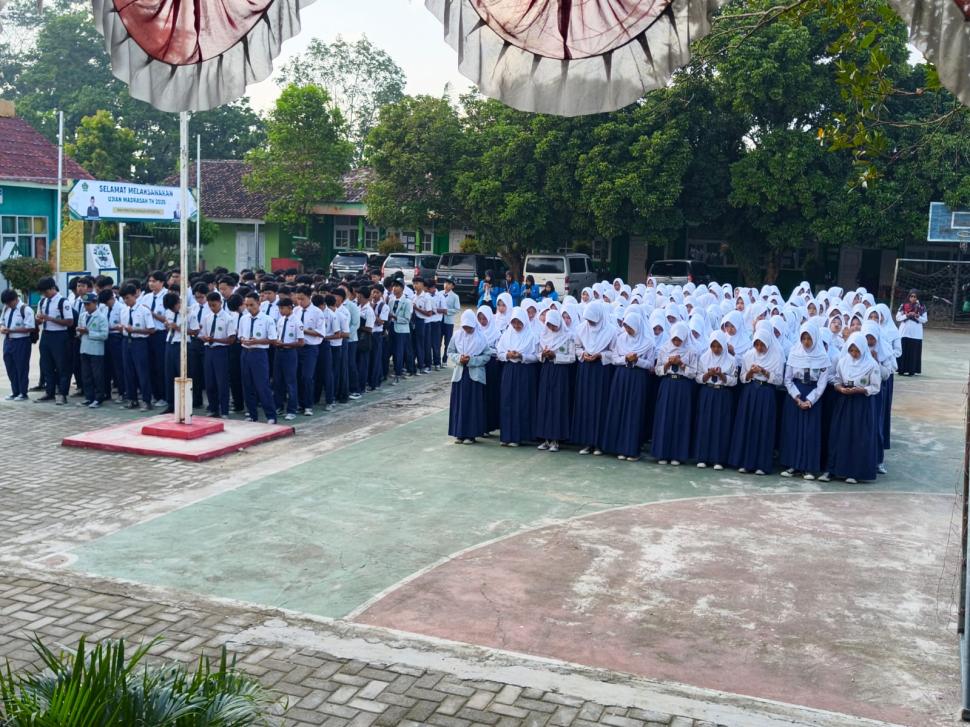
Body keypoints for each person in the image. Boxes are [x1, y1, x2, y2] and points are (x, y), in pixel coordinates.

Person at [820, 332, 881, 484]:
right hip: (844, 402)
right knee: (839, 434)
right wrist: (840, 388)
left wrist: (860, 390)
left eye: (857, 351)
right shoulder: (843, 362)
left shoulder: (871, 364)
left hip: (861, 404)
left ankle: (853, 472)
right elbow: (837, 379)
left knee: (857, 436)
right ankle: (833, 469)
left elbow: (875, 387)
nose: (854, 354)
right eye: (851, 350)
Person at [600, 308, 655, 461]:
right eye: (626, 327)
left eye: (630, 327)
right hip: (622, 377)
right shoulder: (621, 339)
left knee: (634, 412)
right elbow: (614, 358)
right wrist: (626, 359)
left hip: (638, 378)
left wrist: (637, 360)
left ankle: (631, 449)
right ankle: (618, 447)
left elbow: (650, 364)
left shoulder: (648, 342)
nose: (628, 330)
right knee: (619, 409)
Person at [729, 330, 784, 475]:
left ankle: (761, 464)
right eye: (757, 344)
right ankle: (746, 462)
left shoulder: (776, 357)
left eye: (762, 345)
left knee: (763, 427)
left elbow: (779, 380)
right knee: (748, 425)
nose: (759, 348)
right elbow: (742, 378)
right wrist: (751, 373)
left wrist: (764, 372)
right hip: (750, 392)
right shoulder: (748, 355)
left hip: (767, 393)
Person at [780, 322, 830, 480]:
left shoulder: (823, 357)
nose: (806, 342)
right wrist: (796, 396)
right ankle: (792, 464)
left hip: (812, 397)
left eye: (809, 338)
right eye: (804, 338)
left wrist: (809, 400)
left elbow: (822, 384)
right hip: (795, 396)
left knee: (810, 433)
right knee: (793, 431)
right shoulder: (794, 353)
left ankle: (808, 467)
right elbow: (787, 379)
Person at [571, 302, 615, 455]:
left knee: (600, 405)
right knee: (586, 404)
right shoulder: (581, 329)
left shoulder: (610, 331)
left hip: (601, 371)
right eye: (588, 320)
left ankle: (599, 443)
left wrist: (600, 355)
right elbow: (577, 347)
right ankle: (587, 442)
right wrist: (584, 354)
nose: (590, 323)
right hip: (586, 369)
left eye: (592, 320)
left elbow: (614, 353)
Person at [651, 322, 695, 465]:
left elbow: (694, 373)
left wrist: (681, 364)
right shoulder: (664, 349)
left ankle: (677, 454)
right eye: (674, 339)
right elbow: (657, 371)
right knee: (665, 416)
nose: (676, 342)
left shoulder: (690, 351)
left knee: (680, 418)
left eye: (679, 339)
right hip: (668, 384)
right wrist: (668, 364)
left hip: (683, 386)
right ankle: (662, 453)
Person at [692, 331, 737, 470]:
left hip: (723, 394)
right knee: (705, 423)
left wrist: (722, 375)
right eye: (713, 346)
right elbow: (698, 378)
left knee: (720, 425)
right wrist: (708, 374)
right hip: (707, 392)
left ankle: (719, 459)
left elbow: (734, 381)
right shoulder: (704, 358)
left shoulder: (731, 360)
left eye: (719, 346)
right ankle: (702, 456)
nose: (716, 349)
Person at [447, 310, 491, 444]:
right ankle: (459, 433)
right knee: (460, 404)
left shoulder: (481, 337)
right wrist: (460, 358)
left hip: (474, 376)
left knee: (472, 404)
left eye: (469, 327)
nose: (467, 329)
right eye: (465, 326)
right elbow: (450, 351)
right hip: (460, 374)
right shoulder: (457, 335)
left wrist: (472, 360)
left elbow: (487, 355)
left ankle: (471, 434)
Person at [496, 308, 539, 447]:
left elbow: (536, 357)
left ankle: (518, 436)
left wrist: (521, 356)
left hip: (524, 371)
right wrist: (507, 355)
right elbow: (499, 352)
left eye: (519, 322)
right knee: (507, 401)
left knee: (521, 401)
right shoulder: (507, 335)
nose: (516, 326)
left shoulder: (531, 336)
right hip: (509, 370)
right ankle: (507, 435)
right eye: (513, 322)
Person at [535, 309, 574, 452]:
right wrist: (544, 355)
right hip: (546, 370)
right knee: (545, 402)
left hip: (560, 372)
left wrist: (555, 356)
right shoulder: (543, 335)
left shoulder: (568, 336)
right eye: (549, 324)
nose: (551, 328)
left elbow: (571, 357)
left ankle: (556, 439)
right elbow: (537, 353)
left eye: (554, 325)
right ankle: (545, 438)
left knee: (557, 403)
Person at [239, 291, 278, 423]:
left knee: (262, 385)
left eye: (252, 305)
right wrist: (244, 340)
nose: (249, 308)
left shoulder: (267, 320)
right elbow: (240, 336)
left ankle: (271, 415)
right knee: (247, 385)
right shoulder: (244, 319)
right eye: (247, 305)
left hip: (259, 354)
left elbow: (272, 339)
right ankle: (252, 413)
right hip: (246, 353)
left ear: (259, 303)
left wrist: (257, 341)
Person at [35, 276, 73, 405]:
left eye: (45, 291)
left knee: (62, 366)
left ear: (52, 288)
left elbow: (69, 322)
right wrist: (39, 319)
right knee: (47, 365)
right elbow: (40, 318)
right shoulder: (43, 302)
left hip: (60, 336)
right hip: (46, 335)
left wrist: (50, 318)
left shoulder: (63, 302)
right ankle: (49, 391)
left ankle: (62, 393)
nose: (44, 294)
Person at [199, 291, 237, 418]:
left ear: (220, 303)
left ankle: (224, 410)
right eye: (210, 305)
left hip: (221, 351)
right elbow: (202, 334)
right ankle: (213, 408)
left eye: (214, 305)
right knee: (210, 382)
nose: (212, 308)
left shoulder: (228, 318)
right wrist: (205, 338)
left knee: (222, 382)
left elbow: (231, 339)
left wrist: (214, 340)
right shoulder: (207, 317)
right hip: (209, 351)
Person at [119, 283, 155, 412]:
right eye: (124, 298)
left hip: (139, 342)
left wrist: (135, 329)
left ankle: (146, 400)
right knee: (128, 371)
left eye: (128, 297)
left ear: (134, 295)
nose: (126, 300)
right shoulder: (123, 310)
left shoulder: (144, 310)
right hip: (126, 340)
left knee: (142, 371)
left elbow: (151, 330)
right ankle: (131, 398)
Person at [139, 271, 169, 407]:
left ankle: (163, 396)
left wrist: (152, 314)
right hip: (147, 334)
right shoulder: (146, 297)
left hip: (161, 334)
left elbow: (168, 318)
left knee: (160, 366)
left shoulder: (168, 296)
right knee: (149, 366)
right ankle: (154, 395)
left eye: (154, 281)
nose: (151, 284)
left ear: (162, 282)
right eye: (149, 281)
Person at [0, 289, 35, 401]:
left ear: (15, 299)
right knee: (10, 367)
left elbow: (30, 327)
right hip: (8, 341)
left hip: (21, 342)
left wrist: (12, 330)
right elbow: (2, 322)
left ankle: (23, 392)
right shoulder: (6, 308)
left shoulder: (25, 309)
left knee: (21, 367)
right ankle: (15, 391)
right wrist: (2, 328)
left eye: (9, 302)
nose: (8, 305)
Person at [295, 286, 324, 416]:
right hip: (295, 347)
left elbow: (320, 333)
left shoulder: (317, 312)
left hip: (310, 348)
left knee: (307, 377)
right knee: (297, 377)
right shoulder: (295, 311)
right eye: (298, 299)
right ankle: (299, 403)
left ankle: (308, 405)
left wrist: (303, 330)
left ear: (309, 297)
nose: (300, 302)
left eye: (302, 299)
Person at [272, 296, 303, 421]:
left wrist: (286, 344)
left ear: (290, 308)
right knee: (277, 381)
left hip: (290, 352)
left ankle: (292, 409)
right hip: (279, 352)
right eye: (279, 308)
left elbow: (301, 342)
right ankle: (278, 406)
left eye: (282, 308)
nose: (280, 310)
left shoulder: (297, 322)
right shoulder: (281, 320)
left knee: (290, 382)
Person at [896, 289, 927, 375]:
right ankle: (901, 369)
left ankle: (911, 371)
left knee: (913, 353)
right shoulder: (903, 305)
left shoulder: (922, 307)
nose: (913, 298)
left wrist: (917, 316)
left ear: (918, 298)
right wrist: (907, 315)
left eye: (915, 297)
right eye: (911, 296)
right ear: (908, 297)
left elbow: (925, 320)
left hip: (916, 334)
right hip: (904, 333)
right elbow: (898, 317)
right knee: (903, 351)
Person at [161, 292, 182, 413]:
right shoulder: (169, 312)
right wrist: (167, 326)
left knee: (181, 375)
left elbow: (195, 331)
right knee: (169, 374)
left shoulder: (188, 312)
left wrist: (177, 328)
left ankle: (184, 403)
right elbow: (168, 327)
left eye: (173, 307)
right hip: (170, 342)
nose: (172, 310)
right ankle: (171, 404)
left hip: (181, 344)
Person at [388, 280, 412, 383]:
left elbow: (407, 319)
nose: (394, 288)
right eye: (393, 286)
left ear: (402, 288)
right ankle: (395, 370)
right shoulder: (391, 300)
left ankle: (398, 373)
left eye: (397, 286)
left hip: (402, 330)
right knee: (392, 350)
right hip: (392, 328)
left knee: (399, 352)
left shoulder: (407, 301)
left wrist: (394, 317)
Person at [441, 279, 461, 356]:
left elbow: (457, 309)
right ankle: (437, 360)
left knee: (447, 342)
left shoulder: (455, 296)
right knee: (437, 341)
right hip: (439, 320)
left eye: (449, 283)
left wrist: (446, 311)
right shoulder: (439, 293)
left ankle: (445, 359)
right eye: (445, 282)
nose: (446, 285)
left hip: (449, 322)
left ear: (452, 286)